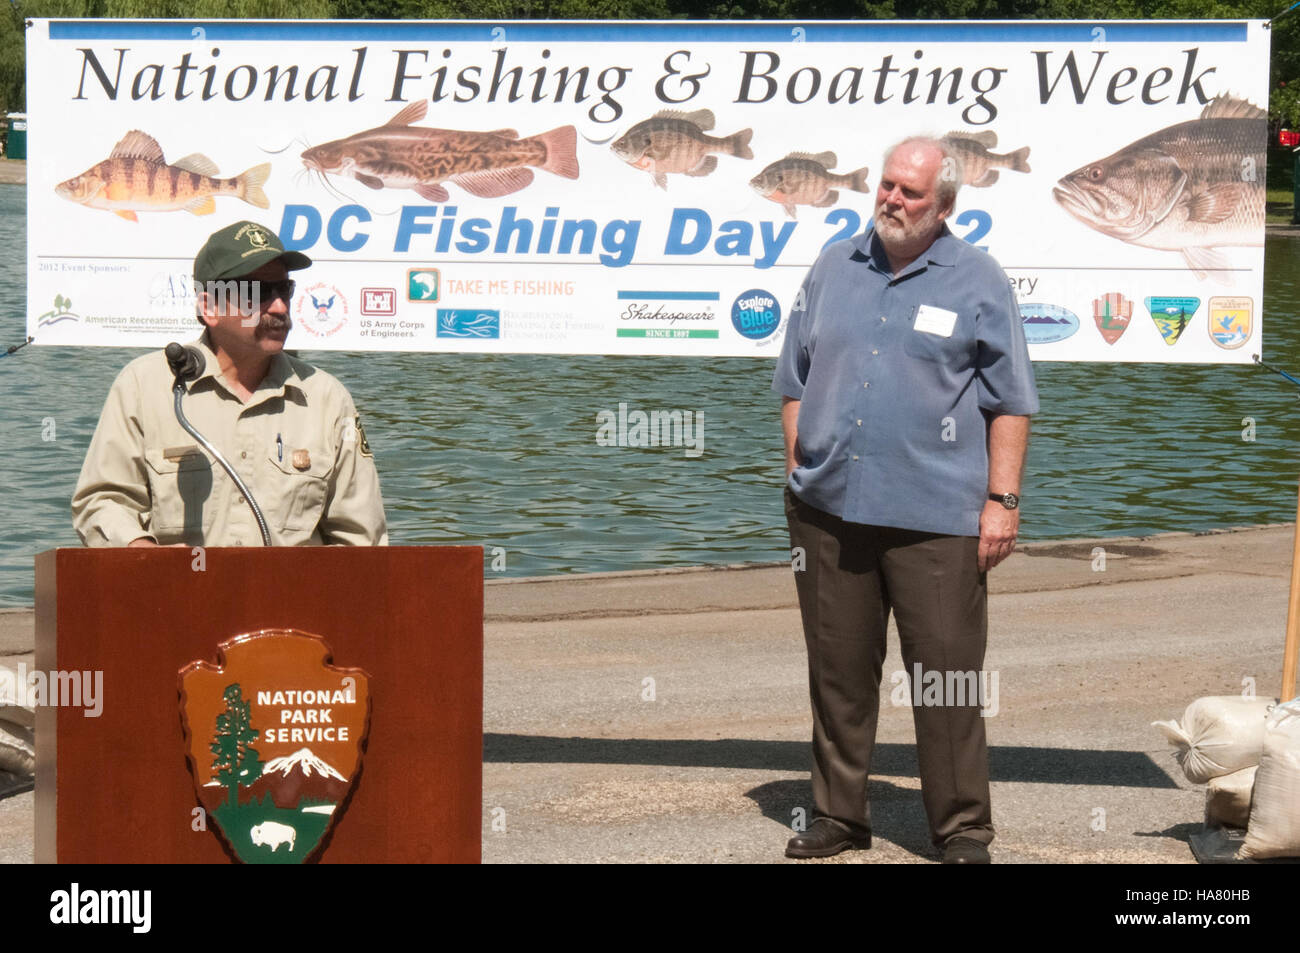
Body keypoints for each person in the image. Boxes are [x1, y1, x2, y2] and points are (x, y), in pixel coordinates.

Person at [773, 137, 1037, 864]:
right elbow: (792, 378)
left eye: (910, 192)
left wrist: (1002, 500)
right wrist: (801, 463)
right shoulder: (833, 266)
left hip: (939, 517)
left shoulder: (978, 281)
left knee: (945, 675)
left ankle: (960, 828)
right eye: (887, 185)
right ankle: (837, 815)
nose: (891, 199)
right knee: (838, 670)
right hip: (828, 511)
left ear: (944, 204)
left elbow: (1011, 402)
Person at [72, 220, 388, 547]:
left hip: (291, 598)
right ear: (209, 307)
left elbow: (360, 539)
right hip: (178, 596)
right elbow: (103, 501)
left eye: (284, 290)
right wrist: (143, 555)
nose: (279, 307)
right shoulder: (143, 387)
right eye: (259, 293)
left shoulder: (326, 399)